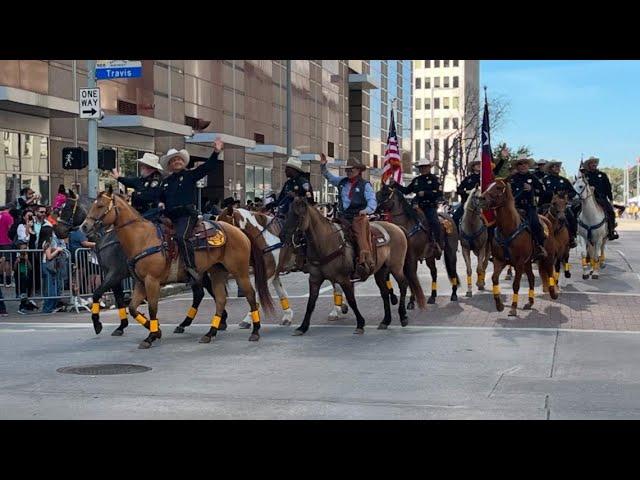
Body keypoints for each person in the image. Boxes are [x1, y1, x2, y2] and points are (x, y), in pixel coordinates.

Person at [159, 139, 224, 282]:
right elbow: (159, 197)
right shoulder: (166, 182)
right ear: (169, 165)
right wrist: (160, 204)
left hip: (186, 215)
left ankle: (191, 268)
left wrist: (216, 152)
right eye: (173, 160)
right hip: (169, 216)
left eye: (179, 159)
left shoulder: (190, 175)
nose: (177, 161)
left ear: (183, 162)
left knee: (182, 237)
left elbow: (207, 167)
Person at [321, 154, 376, 280]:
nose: (349, 172)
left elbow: (372, 201)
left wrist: (366, 210)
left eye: (351, 169)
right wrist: (323, 165)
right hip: (342, 217)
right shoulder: (341, 181)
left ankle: (363, 263)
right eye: (347, 170)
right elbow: (329, 176)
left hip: (357, 217)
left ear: (359, 170)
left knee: (360, 238)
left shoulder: (365, 185)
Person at [391, 158, 445, 253]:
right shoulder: (416, 180)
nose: (423, 169)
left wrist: (425, 193)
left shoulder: (434, 179)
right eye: (421, 167)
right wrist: (396, 185)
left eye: (425, 167)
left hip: (429, 206)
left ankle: (437, 242)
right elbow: (407, 191)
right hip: (416, 206)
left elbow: (439, 193)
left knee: (434, 222)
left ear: (429, 168)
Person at [508, 155, 547, 259]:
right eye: (520, 164)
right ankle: (497, 249)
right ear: (517, 166)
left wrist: (532, 189)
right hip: (514, 207)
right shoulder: (512, 179)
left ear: (528, 165)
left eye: (525, 163)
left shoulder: (533, 178)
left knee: (536, 224)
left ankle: (539, 247)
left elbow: (543, 192)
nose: (523, 166)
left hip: (529, 207)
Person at [111, 153, 164, 221]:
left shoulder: (156, 179)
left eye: (143, 166)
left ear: (150, 168)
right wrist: (118, 178)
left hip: (150, 213)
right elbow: (131, 181)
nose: (141, 167)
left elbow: (151, 195)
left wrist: (135, 194)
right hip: (138, 212)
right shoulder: (142, 178)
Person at [540, 160, 578, 248]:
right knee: (537, 219)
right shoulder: (544, 180)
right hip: (546, 204)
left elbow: (573, 192)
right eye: (555, 166)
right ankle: (538, 240)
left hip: (561, 206)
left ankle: (572, 238)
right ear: (550, 168)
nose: (557, 168)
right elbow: (540, 192)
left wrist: (566, 196)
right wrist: (551, 195)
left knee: (571, 217)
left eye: (558, 166)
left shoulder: (564, 180)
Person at [580, 156, 618, 240]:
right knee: (575, 210)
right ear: (589, 165)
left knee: (611, 212)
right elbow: (582, 187)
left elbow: (608, 188)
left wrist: (611, 199)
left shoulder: (602, 175)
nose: (594, 164)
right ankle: (576, 230)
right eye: (592, 163)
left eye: (595, 163)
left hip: (601, 199)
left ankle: (611, 231)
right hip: (588, 199)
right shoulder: (585, 176)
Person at [40, 226, 66, 314]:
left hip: (50, 266)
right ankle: (47, 308)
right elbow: (49, 256)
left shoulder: (48, 242)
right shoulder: (47, 242)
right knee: (50, 289)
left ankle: (51, 307)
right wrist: (57, 250)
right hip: (47, 265)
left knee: (53, 288)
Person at [452, 159, 481, 225]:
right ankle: (457, 234)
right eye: (477, 164)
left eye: (480, 164)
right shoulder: (468, 178)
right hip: (467, 202)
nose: (479, 165)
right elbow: (459, 190)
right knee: (455, 217)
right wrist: (467, 192)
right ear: (473, 167)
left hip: (481, 202)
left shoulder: (484, 178)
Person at [0, 206, 14, 287]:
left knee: (0, 261)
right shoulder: (8, 216)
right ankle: (8, 282)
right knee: (7, 261)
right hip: (7, 241)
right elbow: (10, 228)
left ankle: (1, 280)